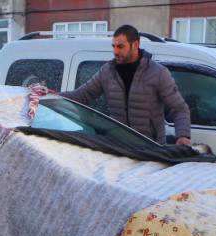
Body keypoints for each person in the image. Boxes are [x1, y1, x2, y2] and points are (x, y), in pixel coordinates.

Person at [59, 25, 192, 146]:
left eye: (120, 46)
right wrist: (53, 95)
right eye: (113, 46)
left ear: (135, 45)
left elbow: (179, 108)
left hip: (152, 149)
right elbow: (82, 96)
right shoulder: (107, 71)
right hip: (120, 147)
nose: (115, 51)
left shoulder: (158, 73)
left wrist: (183, 136)